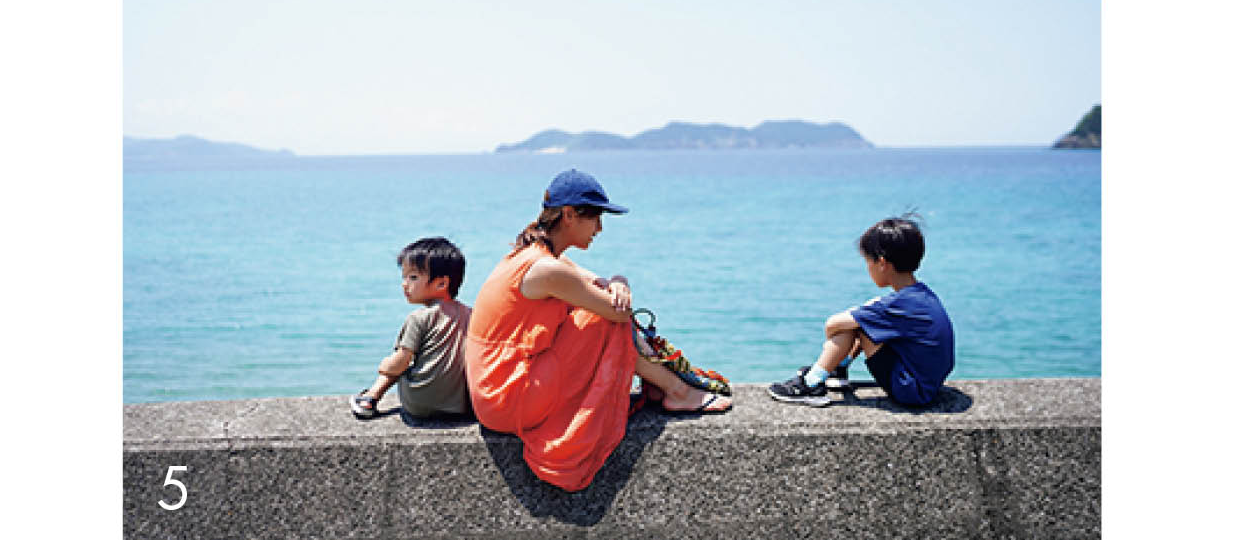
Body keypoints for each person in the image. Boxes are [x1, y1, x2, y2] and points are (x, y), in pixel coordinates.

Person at [465, 169, 731, 492]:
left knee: (597, 315)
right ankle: (678, 391)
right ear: (568, 215)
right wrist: (618, 287)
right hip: (506, 398)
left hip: (495, 390)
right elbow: (617, 312)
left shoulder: (539, 257)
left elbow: (600, 285)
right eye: (595, 218)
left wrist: (619, 281)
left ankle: (668, 388)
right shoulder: (547, 269)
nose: (600, 229)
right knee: (605, 322)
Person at [767, 216, 954, 407]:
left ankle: (811, 383)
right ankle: (837, 369)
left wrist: (840, 336)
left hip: (911, 391)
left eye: (868, 262)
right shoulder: (921, 295)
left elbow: (832, 324)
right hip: (929, 384)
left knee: (857, 324)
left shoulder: (898, 305)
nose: (868, 268)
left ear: (882, 263)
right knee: (866, 318)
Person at [350, 237, 473, 420]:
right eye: (404, 277)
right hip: (461, 404)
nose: (404, 284)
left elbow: (401, 361)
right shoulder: (472, 314)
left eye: (413, 277)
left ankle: (370, 398)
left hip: (420, 403)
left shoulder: (419, 317)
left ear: (441, 283)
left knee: (400, 366)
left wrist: (385, 366)